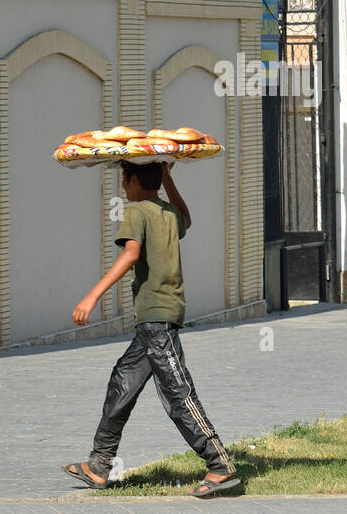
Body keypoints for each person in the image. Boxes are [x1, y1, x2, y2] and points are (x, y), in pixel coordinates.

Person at [62, 160, 240, 497]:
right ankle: (100, 464)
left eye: (122, 178)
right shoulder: (168, 212)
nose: (123, 186)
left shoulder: (138, 210)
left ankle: (221, 466)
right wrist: (169, 180)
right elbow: (186, 217)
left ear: (130, 179)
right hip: (152, 319)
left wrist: (92, 297)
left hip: (158, 316)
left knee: (177, 392)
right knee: (122, 383)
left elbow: (131, 254)